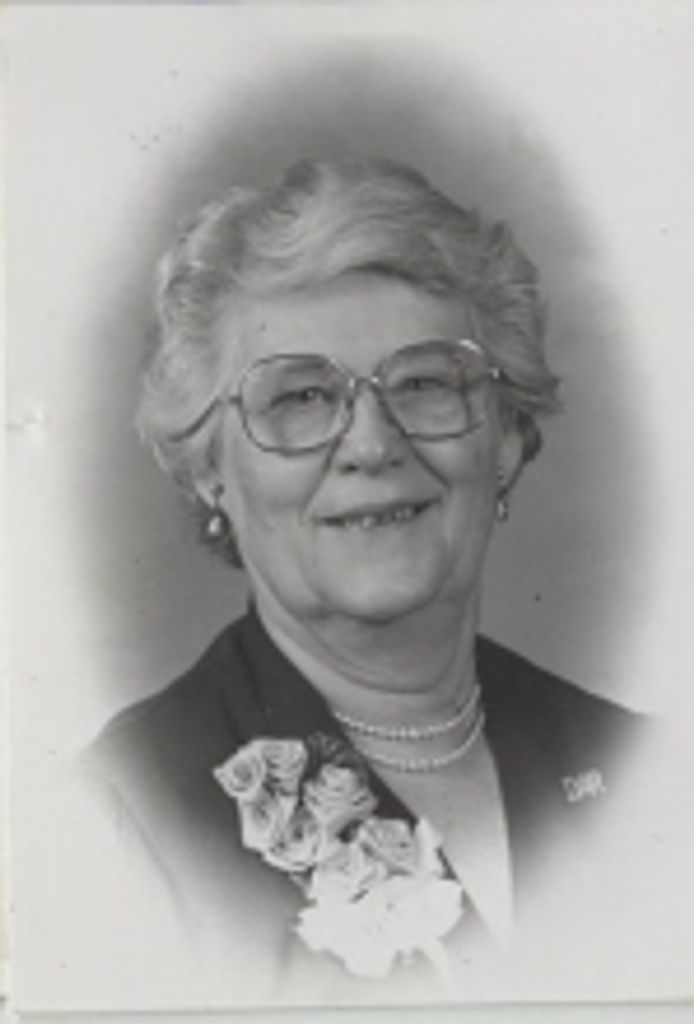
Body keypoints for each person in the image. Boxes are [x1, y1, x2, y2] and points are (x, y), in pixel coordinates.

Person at [84, 158, 640, 1003]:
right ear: (209, 470)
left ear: (506, 437)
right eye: (301, 397)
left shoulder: (644, 767)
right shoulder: (118, 822)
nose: (372, 444)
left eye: (424, 383)